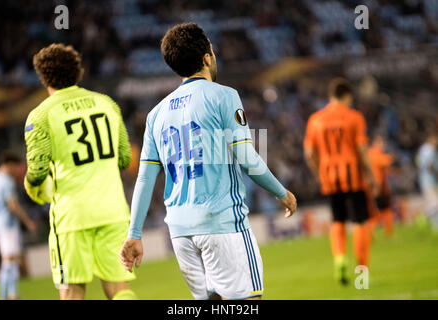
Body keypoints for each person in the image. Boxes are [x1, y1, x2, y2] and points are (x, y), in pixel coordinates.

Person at [120, 23, 297, 300]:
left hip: (180, 232)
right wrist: (281, 192)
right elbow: (247, 159)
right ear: (207, 57)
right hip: (221, 223)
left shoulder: (156, 114)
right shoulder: (223, 96)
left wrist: (134, 233)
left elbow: (145, 178)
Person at [23, 43, 136, 300]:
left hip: (72, 217)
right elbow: (124, 157)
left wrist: (33, 188)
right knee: (119, 289)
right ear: (79, 71)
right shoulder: (105, 103)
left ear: (43, 78)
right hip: (113, 211)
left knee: (72, 290)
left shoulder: (40, 116)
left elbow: (38, 171)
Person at [304, 78, 378, 285]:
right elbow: (362, 149)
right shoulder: (354, 117)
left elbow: (309, 153)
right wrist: (371, 175)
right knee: (360, 222)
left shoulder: (315, 119)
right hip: (353, 176)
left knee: (338, 220)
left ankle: (339, 259)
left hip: (330, 177)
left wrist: (319, 173)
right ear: (347, 96)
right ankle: (361, 275)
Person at [0, 151, 36, 299]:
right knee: (9, 261)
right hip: (7, 225)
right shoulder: (6, 181)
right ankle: (5, 295)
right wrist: (28, 221)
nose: (17, 171)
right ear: (10, 164)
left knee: (11, 259)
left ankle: (11, 293)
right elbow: (13, 205)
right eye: (16, 167)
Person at [367, 135, 394, 237]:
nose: (383, 146)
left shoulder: (369, 154)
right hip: (378, 187)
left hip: (370, 187)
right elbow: (387, 161)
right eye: (381, 143)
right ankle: (387, 233)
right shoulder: (376, 154)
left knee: (374, 211)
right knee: (384, 210)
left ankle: (371, 234)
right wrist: (392, 157)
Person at [416, 134, 438, 230]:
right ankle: (422, 218)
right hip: (430, 180)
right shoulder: (429, 149)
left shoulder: (422, 149)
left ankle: (434, 226)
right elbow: (430, 165)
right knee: (434, 204)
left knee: (433, 203)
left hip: (424, 180)